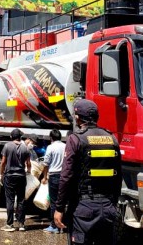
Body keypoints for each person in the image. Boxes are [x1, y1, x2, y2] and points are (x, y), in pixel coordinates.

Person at [54, 99, 122, 245]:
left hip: (84, 208)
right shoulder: (112, 138)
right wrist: (113, 203)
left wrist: (59, 207)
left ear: (78, 118)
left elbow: (66, 176)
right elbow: (118, 176)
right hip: (108, 208)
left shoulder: (76, 139)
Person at [0, 128, 31, 232]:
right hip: (21, 176)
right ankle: (21, 224)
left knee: (10, 200)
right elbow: (28, 163)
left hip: (10, 176)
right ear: (20, 137)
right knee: (21, 200)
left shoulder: (7, 146)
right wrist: (28, 172)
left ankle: (9, 225)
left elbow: (3, 162)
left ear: (11, 137)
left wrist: (1, 174)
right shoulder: (25, 148)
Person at [41, 129, 66, 234]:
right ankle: (62, 224)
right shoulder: (65, 146)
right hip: (65, 176)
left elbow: (46, 163)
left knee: (54, 202)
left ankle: (54, 226)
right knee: (62, 201)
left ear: (51, 138)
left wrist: (44, 177)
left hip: (54, 176)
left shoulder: (50, 147)